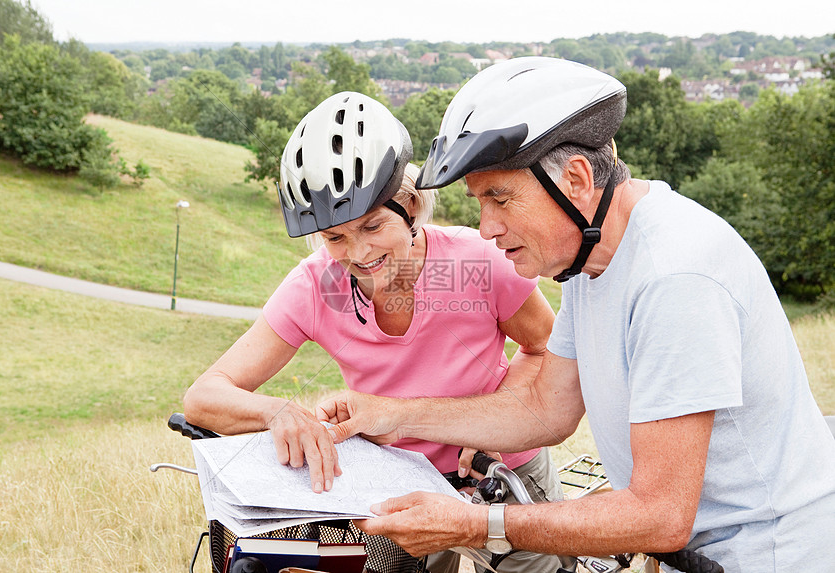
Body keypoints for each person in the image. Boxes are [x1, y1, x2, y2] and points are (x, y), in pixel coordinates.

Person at [316, 58, 835, 572]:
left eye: (500, 199)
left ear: (577, 180)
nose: (488, 228)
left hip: (764, 553)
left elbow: (660, 513)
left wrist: (474, 524)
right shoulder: (592, 262)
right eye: (480, 203)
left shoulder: (674, 277)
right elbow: (545, 408)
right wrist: (387, 412)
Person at [183, 91, 567, 573]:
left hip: (501, 471)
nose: (358, 253)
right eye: (335, 237)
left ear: (409, 205)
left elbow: (545, 347)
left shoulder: (475, 262)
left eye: (373, 226)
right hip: (400, 486)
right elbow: (204, 397)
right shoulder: (316, 284)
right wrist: (278, 412)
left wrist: (496, 429)